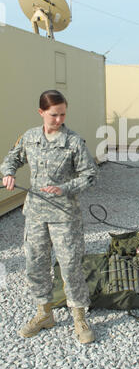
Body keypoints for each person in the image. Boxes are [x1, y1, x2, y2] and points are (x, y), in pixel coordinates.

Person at [0, 90, 98, 345]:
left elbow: (90, 175)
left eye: (63, 114)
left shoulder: (74, 141)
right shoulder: (30, 137)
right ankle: (44, 314)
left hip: (65, 215)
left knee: (70, 266)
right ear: (41, 112)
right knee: (35, 264)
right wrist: (8, 173)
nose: (59, 119)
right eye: (54, 114)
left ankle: (79, 317)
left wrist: (65, 188)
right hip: (35, 215)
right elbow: (12, 159)